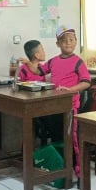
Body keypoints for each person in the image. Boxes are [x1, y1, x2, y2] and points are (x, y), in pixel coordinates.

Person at [21, 24, 91, 177]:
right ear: (58, 44)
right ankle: (62, 167)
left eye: (71, 40)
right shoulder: (53, 61)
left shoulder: (78, 62)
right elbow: (39, 71)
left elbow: (86, 82)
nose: (68, 43)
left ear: (76, 41)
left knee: (72, 138)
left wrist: (70, 90)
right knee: (58, 136)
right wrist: (27, 63)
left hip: (70, 106)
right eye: (64, 41)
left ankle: (78, 172)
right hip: (54, 106)